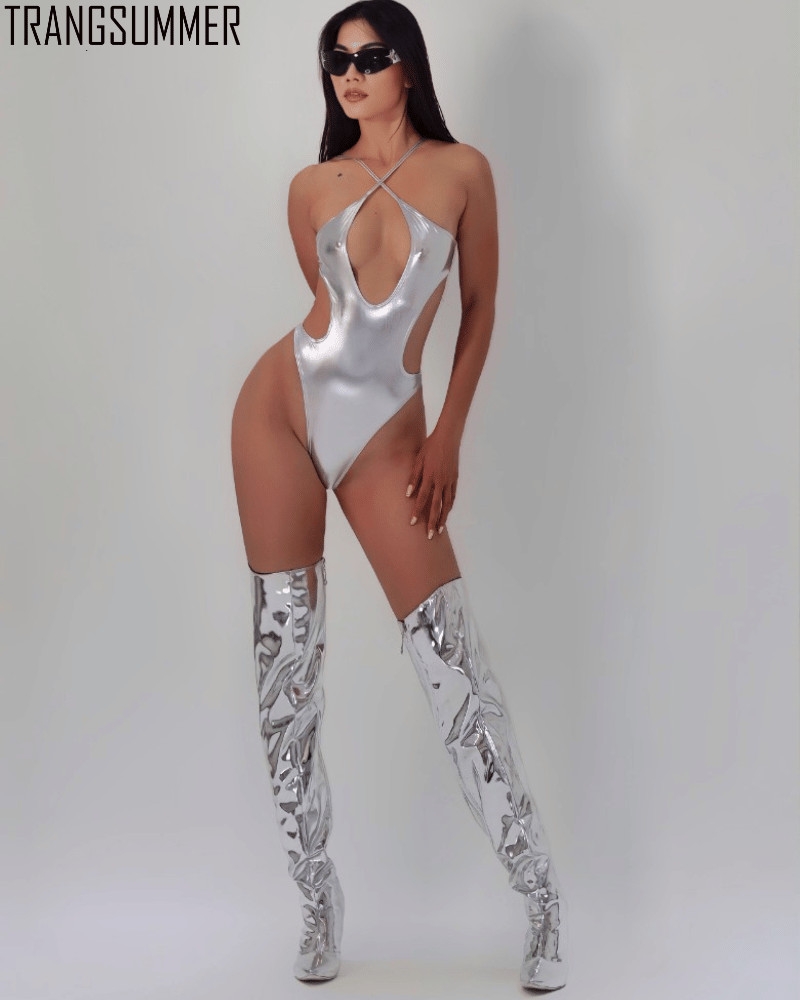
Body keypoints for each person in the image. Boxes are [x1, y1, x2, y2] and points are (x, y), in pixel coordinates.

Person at [230, 0, 568, 990]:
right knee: (284, 676)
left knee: (452, 667)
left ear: (407, 67)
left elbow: (479, 304)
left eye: (370, 56)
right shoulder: (311, 185)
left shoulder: (462, 172)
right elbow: (327, 316)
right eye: (336, 60)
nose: (351, 73)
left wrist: (449, 431)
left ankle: (540, 896)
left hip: (392, 442)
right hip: (276, 414)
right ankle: (315, 900)